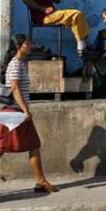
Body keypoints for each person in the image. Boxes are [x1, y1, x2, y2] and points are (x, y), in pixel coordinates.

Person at [0, 34, 58, 193]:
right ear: (18, 46)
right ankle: (41, 181)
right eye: (27, 43)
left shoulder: (20, 63)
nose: (30, 45)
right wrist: (25, 110)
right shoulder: (15, 65)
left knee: (32, 145)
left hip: (16, 112)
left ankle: (41, 182)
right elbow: (15, 89)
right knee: (20, 145)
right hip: (15, 114)